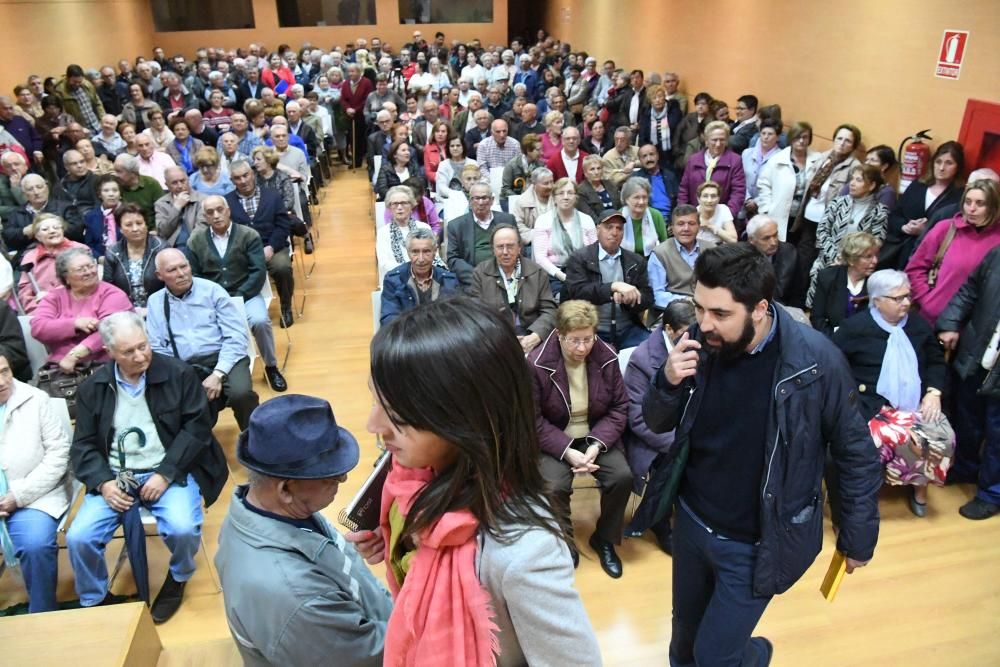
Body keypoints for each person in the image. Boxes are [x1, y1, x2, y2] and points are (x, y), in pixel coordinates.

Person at [642, 243, 880, 666]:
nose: (704, 324)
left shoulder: (816, 362)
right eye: (699, 308)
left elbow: (854, 452)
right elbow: (656, 422)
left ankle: (754, 656)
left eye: (720, 313)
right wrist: (667, 381)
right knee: (683, 644)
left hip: (757, 543)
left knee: (715, 656)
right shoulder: (698, 342)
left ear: (759, 309)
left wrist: (858, 534)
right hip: (693, 524)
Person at [348, 297, 600, 665]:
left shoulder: (524, 554)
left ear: (464, 420)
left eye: (398, 416)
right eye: (375, 400)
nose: (373, 425)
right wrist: (394, 537)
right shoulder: (411, 474)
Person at [67, 311, 228, 623]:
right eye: (128, 351)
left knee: (182, 528)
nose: (140, 356)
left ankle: (179, 576)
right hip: (117, 476)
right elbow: (83, 445)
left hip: (168, 469)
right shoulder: (94, 387)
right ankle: (96, 597)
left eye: (143, 346)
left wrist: (165, 474)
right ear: (109, 352)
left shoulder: (179, 374)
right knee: (79, 538)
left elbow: (197, 429)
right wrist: (104, 483)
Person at [215, 394, 392, 665]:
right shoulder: (294, 597)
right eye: (331, 476)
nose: (344, 478)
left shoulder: (264, 510)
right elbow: (367, 656)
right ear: (286, 489)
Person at [832, 270, 951, 517]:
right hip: (869, 403)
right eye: (898, 298)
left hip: (915, 401)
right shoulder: (855, 328)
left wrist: (934, 392)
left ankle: (919, 487)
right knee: (875, 437)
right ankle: (866, 491)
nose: (906, 303)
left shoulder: (918, 325)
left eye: (908, 296)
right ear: (877, 301)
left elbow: (936, 360)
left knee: (942, 437)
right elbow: (834, 365)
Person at [528, 300, 632, 578]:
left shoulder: (607, 356)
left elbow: (619, 408)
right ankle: (565, 539)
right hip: (555, 437)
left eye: (588, 339)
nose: (583, 348)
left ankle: (604, 538)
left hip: (596, 434)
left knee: (621, 477)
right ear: (559, 335)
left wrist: (596, 444)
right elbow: (532, 420)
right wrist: (567, 451)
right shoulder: (536, 364)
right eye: (574, 340)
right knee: (554, 485)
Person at [187, 197, 288, 393]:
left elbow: (258, 271)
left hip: (246, 295)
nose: (216, 215)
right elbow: (196, 276)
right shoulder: (195, 241)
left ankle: (271, 366)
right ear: (205, 216)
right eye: (210, 212)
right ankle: (218, 372)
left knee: (260, 321)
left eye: (220, 210)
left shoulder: (248, 235)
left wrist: (240, 296)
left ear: (228, 211)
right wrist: (215, 298)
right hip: (212, 300)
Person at [0, 352, 72, 613]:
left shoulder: (35, 399)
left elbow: (58, 456)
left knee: (35, 544)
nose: (2, 381)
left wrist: (17, 496)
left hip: (35, 497)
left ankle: (42, 615)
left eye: (5, 371)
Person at [937, 245, 1000, 520]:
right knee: (967, 418)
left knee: (997, 434)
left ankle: (991, 494)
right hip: (978, 353)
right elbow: (969, 290)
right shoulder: (996, 255)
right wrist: (950, 323)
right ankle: (965, 469)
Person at [905, 179, 1000, 326]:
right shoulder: (946, 228)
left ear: (994, 207)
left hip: (973, 327)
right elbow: (915, 268)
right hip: (932, 318)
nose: (971, 209)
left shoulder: (997, 239)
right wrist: (927, 301)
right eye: (968, 202)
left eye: (980, 203)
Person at [31, 248, 133, 373]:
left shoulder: (113, 294)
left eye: (91, 266)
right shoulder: (54, 297)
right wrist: (75, 324)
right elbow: (38, 328)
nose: (89, 272)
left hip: (102, 366)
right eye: (80, 269)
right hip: (59, 369)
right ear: (66, 277)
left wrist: (74, 355)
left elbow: (111, 330)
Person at [564, 209, 652, 349]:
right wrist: (612, 287)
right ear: (598, 229)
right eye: (609, 227)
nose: (614, 232)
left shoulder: (636, 261)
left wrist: (631, 299)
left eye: (619, 228)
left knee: (654, 351)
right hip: (591, 329)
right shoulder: (579, 258)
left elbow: (648, 297)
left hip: (628, 328)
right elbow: (577, 292)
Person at [225, 160, 296, 327]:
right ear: (232, 180)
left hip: (272, 246)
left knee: (282, 267)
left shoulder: (272, 196)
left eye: (246, 175)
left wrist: (271, 246)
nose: (243, 181)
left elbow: (283, 225)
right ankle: (242, 311)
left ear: (252, 174)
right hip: (242, 251)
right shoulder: (227, 201)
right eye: (237, 178)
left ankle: (286, 306)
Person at [807, 163, 889, 304]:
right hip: (827, 262)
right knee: (817, 304)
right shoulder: (837, 203)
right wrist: (835, 256)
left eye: (858, 180)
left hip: (856, 269)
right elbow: (822, 231)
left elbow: (877, 242)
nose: (852, 183)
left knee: (843, 306)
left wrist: (850, 259)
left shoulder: (879, 211)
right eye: (852, 179)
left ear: (871, 185)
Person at [469, 224, 556, 354]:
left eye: (510, 246)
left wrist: (535, 336)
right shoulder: (481, 273)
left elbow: (549, 310)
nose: (505, 252)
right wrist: (502, 339)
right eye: (500, 247)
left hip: (532, 337)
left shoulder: (536, 272)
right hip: (495, 340)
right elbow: (475, 314)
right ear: (493, 249)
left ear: (519, 247)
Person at [880, 141, 965, 270]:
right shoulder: (918, 185)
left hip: (928, 257)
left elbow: (956, 231)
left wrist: (926, 231)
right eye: (938, 162)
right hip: (898, 250)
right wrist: (904, 227)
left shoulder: (959, 196)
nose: (942, 168)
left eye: (949, 163)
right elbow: (895, 214)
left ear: (958, 167)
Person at [794, 123, 862, 278]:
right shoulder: (823, 157)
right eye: (839, 138)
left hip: (828, 223)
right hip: (808, 217)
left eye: (847, 141)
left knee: (818, 263)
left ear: (853, 146)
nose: (842, 143)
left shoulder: (854, 167)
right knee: (802, 259)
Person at [755, 122, 822, 241]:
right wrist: (766, 209)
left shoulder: (818, 159)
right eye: (797, 137)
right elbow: (764, 185)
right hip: (780, 214)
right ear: (791, 138)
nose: (801, 141)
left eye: (805, 137)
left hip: (804, 218)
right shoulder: (777, 159)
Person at [532, 177, 597, 295]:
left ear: (576, 197)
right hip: (554, 275)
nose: (566, 197)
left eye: (570, 193)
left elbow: (595, 252)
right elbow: (540, 258)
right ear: (554, 197)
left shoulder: (586, 220)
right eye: (561, 193)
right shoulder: (543, 221)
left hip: (584, 272)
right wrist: (562, 276)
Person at [380, 228, 459, 325]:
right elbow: (389, 320)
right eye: (415, 252)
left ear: (435, 252)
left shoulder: (449, 280)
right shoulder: (393, 280)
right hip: (407, 333)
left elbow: (456, 318)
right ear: (408, 252)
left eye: (426, 251)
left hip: (440, 333)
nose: (421, 259)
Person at [446, 181, 516, 288]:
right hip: (474, 281)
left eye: (484, 198)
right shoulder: (456, 226)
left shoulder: (508, 220)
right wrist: (479, 277)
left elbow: (518, 250)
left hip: (506, 277)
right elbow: (453, 259)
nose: (481, 202)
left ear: (492, 200)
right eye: (476, 198)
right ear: (470, 201)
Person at [810, 231, 881, 337]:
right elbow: (817, 318)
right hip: (831, 338)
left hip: (864, 340)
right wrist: (834, 339)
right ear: (852, 260)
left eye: (876, 255)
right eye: (868, 256)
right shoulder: (828, 277)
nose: (875, 261)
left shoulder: (878, 282)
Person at [16, 214, 90, 314]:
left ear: (62, 230)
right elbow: (25, 290)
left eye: (56, 227)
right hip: (42, 310)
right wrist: (38, 311)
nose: (52, 231)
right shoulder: (29, 257)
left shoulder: (80, 250)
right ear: (37, 236)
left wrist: (52, 296)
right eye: (45, 229)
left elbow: (86, 282)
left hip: (78, 307)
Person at [648, 205, 715, 309]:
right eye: (680, 224)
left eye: (691, 224)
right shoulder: (660, 253)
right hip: (672, 311)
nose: (686, 229)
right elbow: (656, 294)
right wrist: (686, 300)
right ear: (672, 227)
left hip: (708, 308)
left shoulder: (712, 249)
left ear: (699, 226)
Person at [678, 120, 746, 219]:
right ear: (706, 141)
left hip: (723, 218)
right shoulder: (693, 160)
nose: (718, 144)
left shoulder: (735, 161)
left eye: (722, 140)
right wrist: (685, 215)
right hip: (695, 217)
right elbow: (684, 189)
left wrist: (726, 216)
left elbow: (738, 192)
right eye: (714, 140)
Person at [102, 203, 164, 311]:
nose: (135, 229)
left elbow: (170, 283)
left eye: (139, 223)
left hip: (159, 307)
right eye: (128, 225)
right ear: (120, 229)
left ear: (146, 225)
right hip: (124, 310)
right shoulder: (112, 252)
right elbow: (108, 288)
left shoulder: (161, 248)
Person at [3, 173, 84, 254]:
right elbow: (7, 237)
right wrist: (23, 232)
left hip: (65, 251)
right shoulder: (17, 213)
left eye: (39, 187)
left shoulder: (65, 207)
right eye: (30, 189)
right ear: (24, 193)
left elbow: (77, 230)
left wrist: (49, 228)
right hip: (30, 253)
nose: (36, 192)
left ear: (46, 188)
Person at [747, 215, 799, 305]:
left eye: (775, 235)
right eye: (766, 238)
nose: (773, 242)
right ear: (752, 240)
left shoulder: (790, 253)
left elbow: (798, 291)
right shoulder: (741, 258)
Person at [154, 166, 208, 250]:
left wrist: (190, 246)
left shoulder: (203, 200)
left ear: (188, 180)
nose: (180, 186)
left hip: (196, 246)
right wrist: (176, 208)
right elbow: (163, 232)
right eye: (174, 183)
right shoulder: (161, 204)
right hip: (171, 248)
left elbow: (202, 228)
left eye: (183, 181)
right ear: (167, 185)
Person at [619, 176, 668, 257]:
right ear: (626, 199)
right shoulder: (619, 216)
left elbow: (664, 244)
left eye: (644, 197)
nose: (641, 202)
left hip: (651, 259)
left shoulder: (656, 215)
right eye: (636, 197)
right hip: (625, 260)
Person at [115, 153, 165, 225]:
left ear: (132, 173)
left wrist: (155, 229)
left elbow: (162, 211)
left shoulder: (151, 184)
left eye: (119, 171)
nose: (116, 175)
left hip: (151, 228)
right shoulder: (116, 186)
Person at [576, 154, 621, 220]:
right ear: (585, 173)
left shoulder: (610, 184)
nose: (596, 172)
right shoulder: (581, 191)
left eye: (599, 168)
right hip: (596, 224)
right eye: (592, 169)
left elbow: (619, 207)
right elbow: (589, 216)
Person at [695, 180, 737, 244]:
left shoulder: (723, 209)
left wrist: (710, 226)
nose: (709, 200)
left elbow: (733, 240)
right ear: (698, 199)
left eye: (713, 196)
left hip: (719, 247)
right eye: (705, 196)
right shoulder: (693, 213)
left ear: (718, 198)